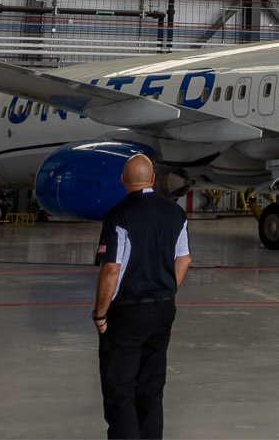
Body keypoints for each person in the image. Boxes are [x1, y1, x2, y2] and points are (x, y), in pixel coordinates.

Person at [94, 155, 190, 440]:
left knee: (120, 391)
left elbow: (111, 270)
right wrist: (167, 291)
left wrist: (100, 314)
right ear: (151, 180)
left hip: (126, 314)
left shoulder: (118, 215)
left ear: (123, 181)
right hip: (162, 309)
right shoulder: (175, 213)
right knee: (151, 388)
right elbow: (184, 259)